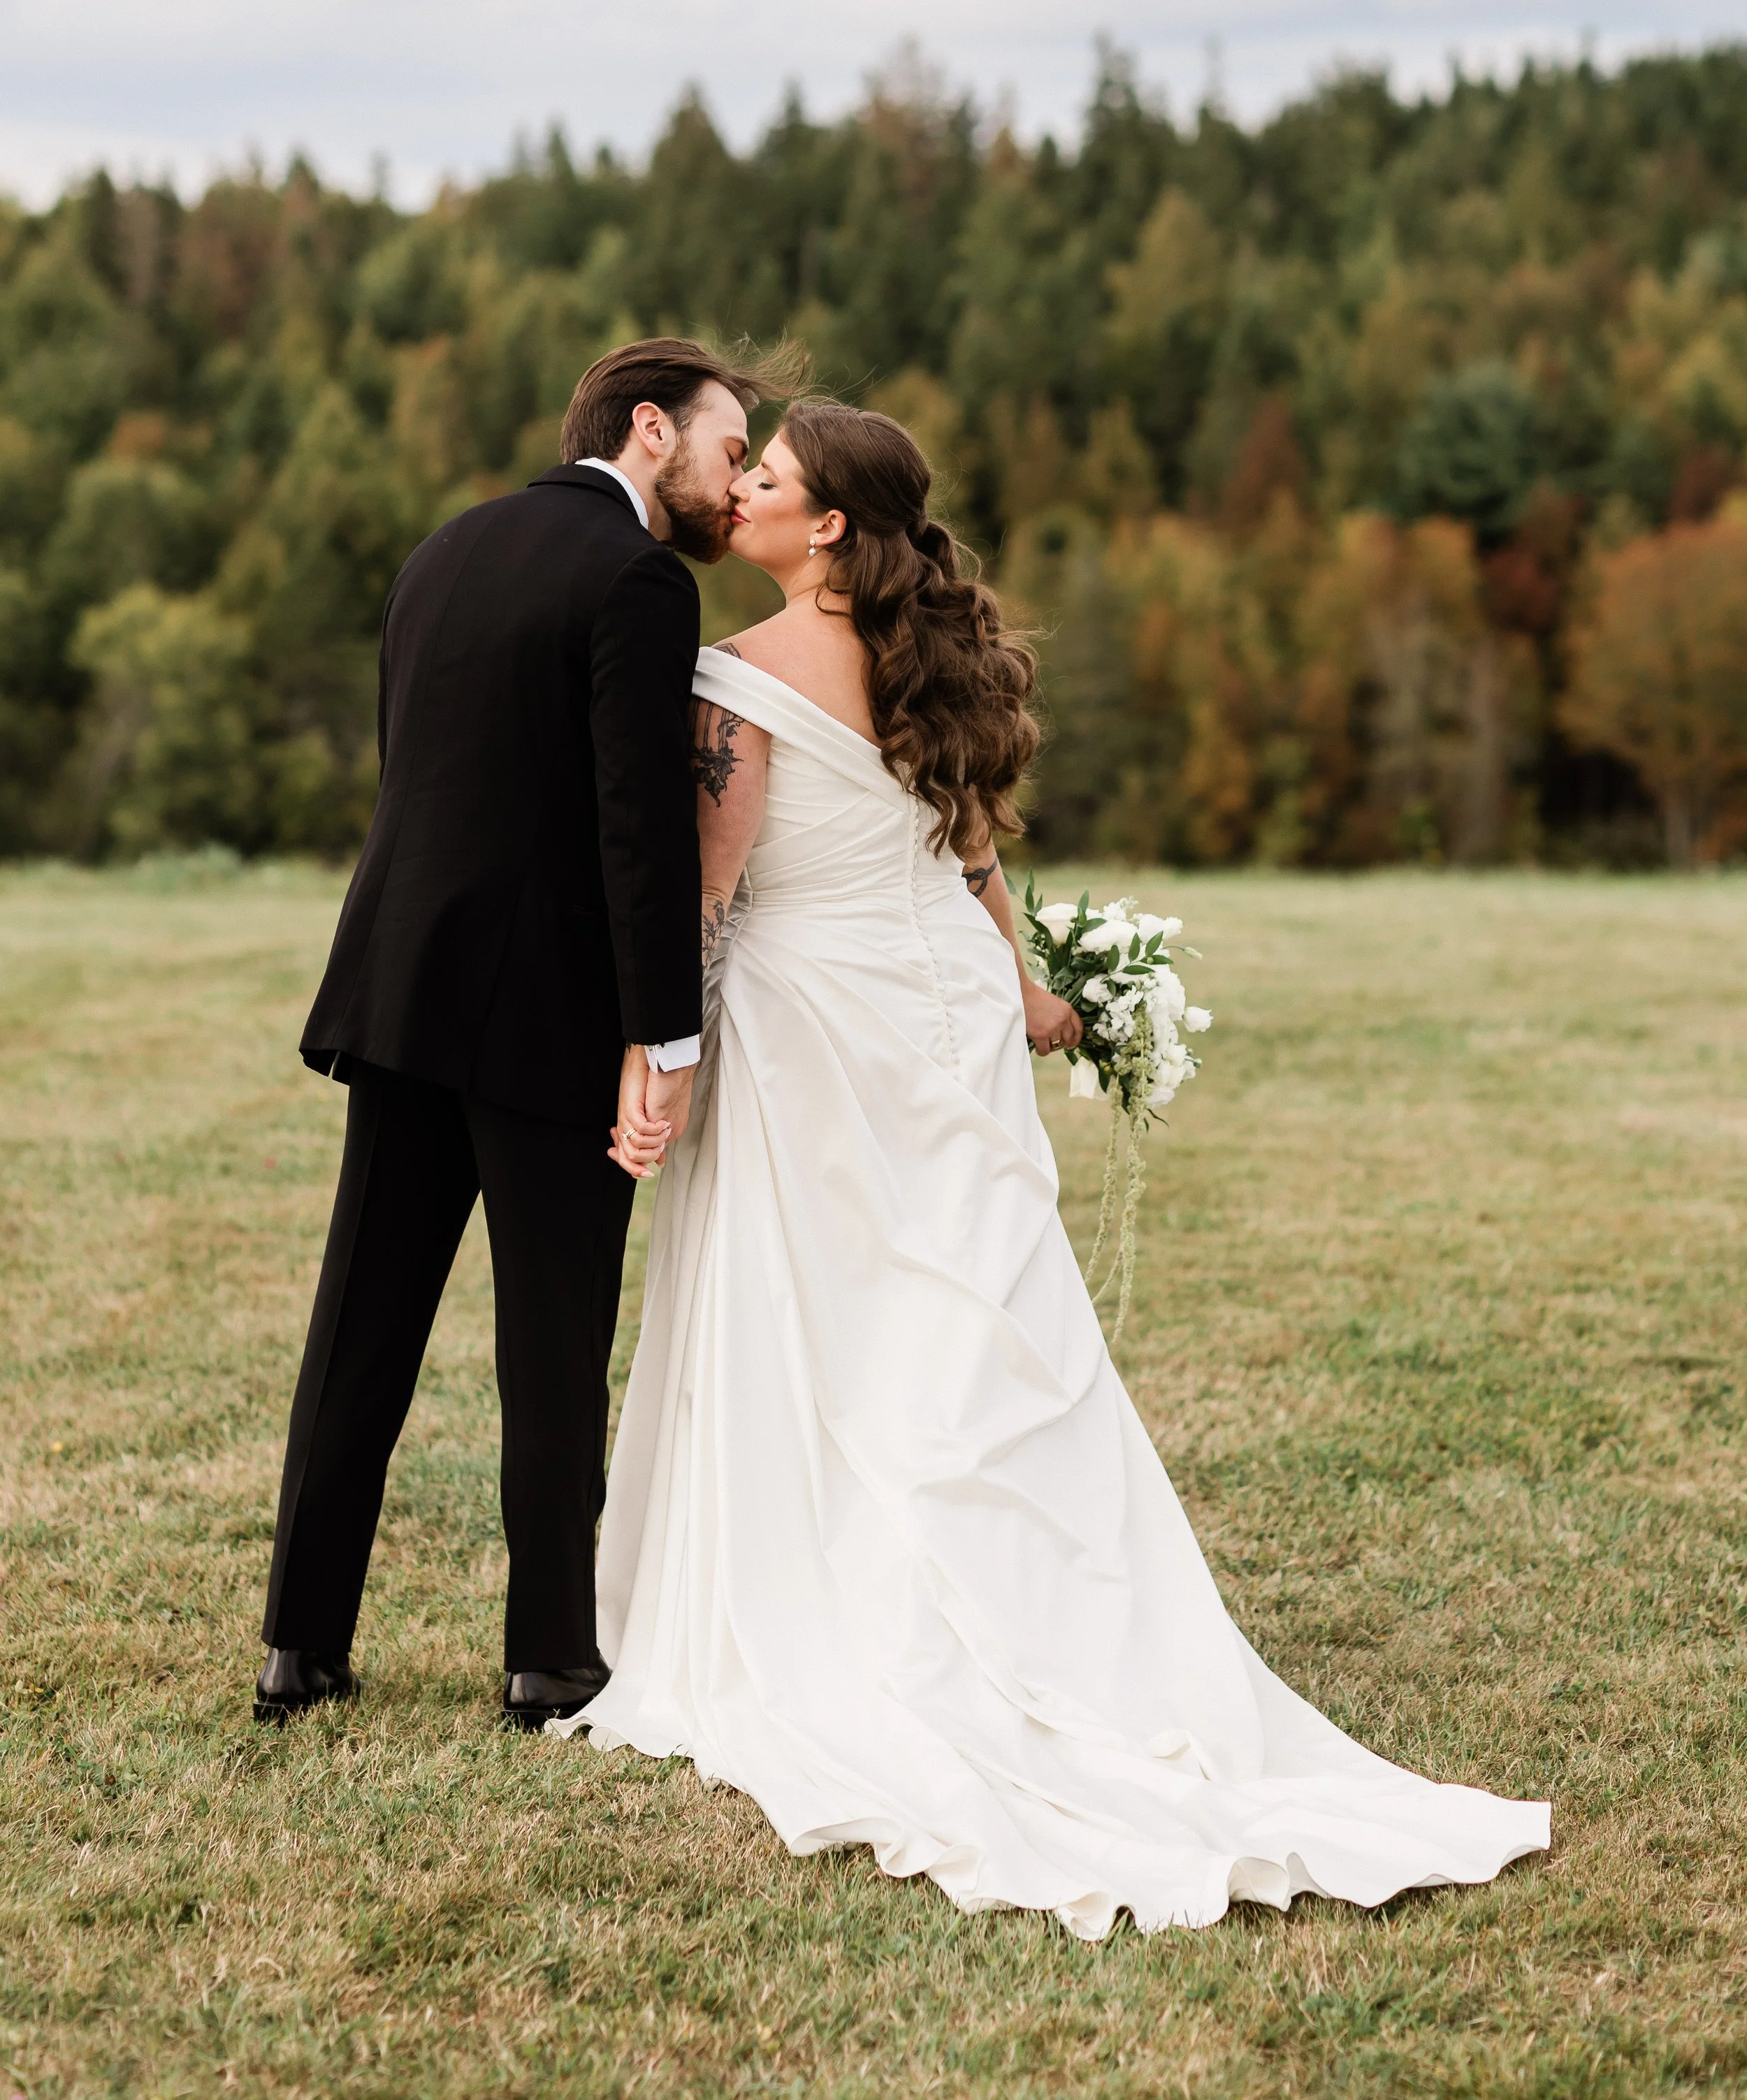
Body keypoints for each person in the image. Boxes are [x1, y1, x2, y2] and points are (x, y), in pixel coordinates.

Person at [558, 400, 1551, 1937]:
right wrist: (1018, 991)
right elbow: (969, 850)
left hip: (817, 1024)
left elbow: (710, 882)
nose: (737, 490)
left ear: (822, 527)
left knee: (823, 1316)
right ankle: (1047, 1606)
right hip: (941, 1014)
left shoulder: (735, 677)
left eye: (765, 479)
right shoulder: (925, 658)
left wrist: (656, 1054)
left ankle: (859, 1612)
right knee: (971, 1318)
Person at [255, 337, 782, 1731]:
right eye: (732, 451)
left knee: (357, 1331)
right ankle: (548, 1656)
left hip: (400, 991)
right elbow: (638, 829)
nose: (738, 486)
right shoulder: (634, 580)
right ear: (652, 431)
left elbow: (419, 774)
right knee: (551, 1347)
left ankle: (296, 1647)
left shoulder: (445, 548)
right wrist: (658, 1036)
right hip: (544, 1017)